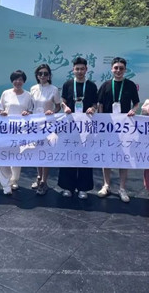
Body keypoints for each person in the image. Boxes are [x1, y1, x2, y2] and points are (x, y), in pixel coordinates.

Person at [97, 57, 140, 203]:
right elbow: (100, 104)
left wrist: (134, 110)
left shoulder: (130, 85)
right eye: (116, 68)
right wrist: (102, 121)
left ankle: (122, 188)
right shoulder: (105, 85)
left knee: (124, 157)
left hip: (124, 127)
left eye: (121, 68)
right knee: (106, 157)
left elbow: (136, 103)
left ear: (125, 70)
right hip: (108, 127)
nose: (118, 70)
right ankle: (106, 185)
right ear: (111, 69)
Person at [58, 57, 98, 199]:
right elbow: (62, 101)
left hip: (86, 127)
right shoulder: (68, 84)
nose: (80, 71)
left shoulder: (92, 86)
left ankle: (83, 188)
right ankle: (67, 187)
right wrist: (65, 107)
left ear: (86, 70)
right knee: (69, 155)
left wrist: (92, 109)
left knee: (85, 156)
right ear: (73, 70)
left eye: (82, 69)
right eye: (77, 69)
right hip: (70, 126)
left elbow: (95, 104)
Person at [0, 70, 34, 195]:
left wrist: (27, 113)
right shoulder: (6, 93)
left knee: (16, 156)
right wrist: (2, 113)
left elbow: (30, 111)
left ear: (24, 81)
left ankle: (14, 180)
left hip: (20, 131)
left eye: (20, 79)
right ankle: (6, 185)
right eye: (15, 79)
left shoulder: (28, 95)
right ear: (12, 81)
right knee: (3, 156)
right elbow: (0, 108)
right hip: (5, 130)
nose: (18, 82)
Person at [29, 64, 61, 195]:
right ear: (37, 75)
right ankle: (39, 176)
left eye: (45, 73)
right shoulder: (33, 89)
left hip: (48, 125)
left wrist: (52, 112)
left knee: (46, 152)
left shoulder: (54, 89)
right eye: (40, 73)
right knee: (37, 151)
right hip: (35, 125)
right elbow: (30, 107)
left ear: (49, 76)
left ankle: (44, 181)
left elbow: (58, 106)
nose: (43, 76)